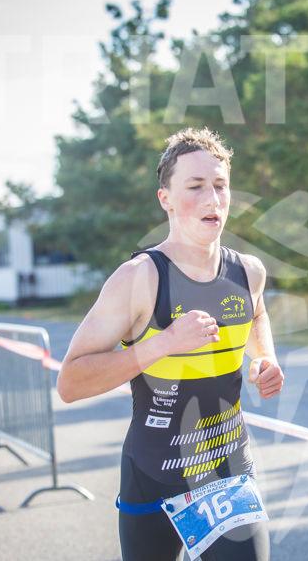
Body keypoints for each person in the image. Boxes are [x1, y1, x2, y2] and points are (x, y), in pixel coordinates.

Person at [57, 127, 284, 561]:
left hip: (226, 472)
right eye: (195, 187)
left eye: (220, 186)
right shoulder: (139, 278)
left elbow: (256, 313)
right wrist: (162, 343)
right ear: (166, 199)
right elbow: (70, 382)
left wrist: (264, 358)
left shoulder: (248, 272)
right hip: (153, 475)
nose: (212, 199)